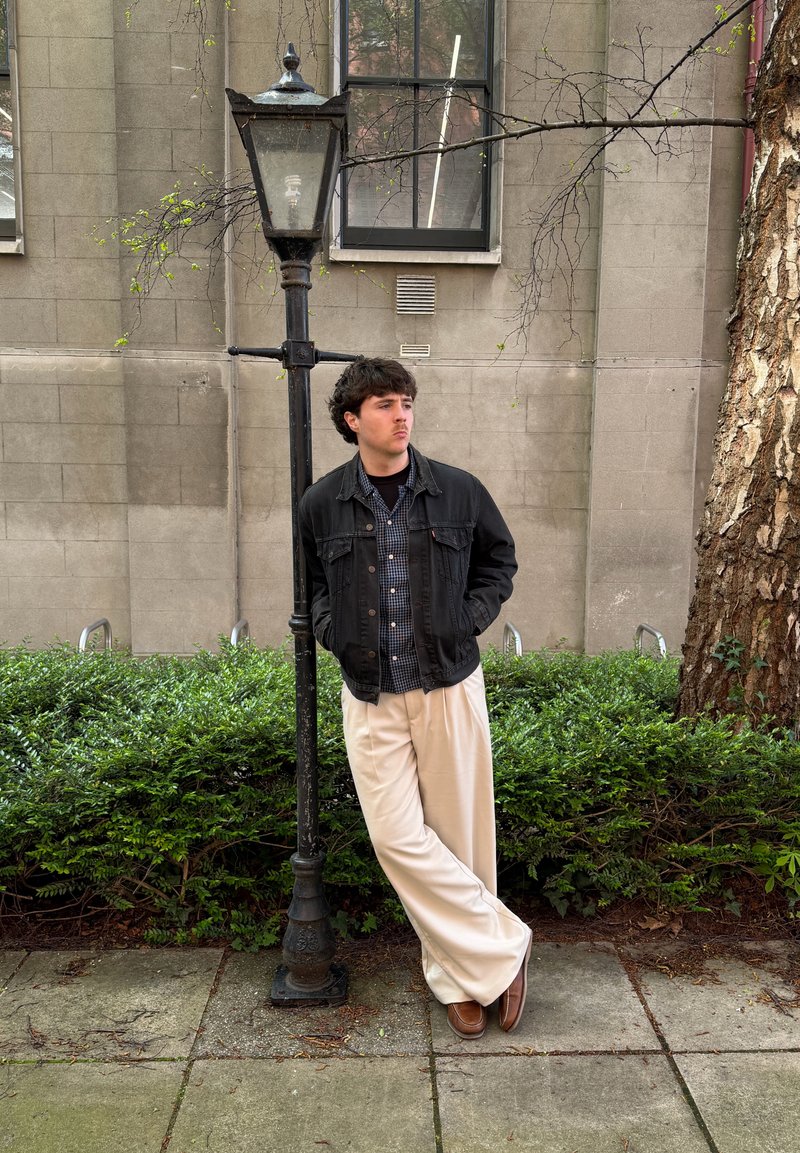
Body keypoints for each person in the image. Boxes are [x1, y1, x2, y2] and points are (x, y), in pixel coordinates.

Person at [299, 357, 532, 1039]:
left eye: (406, 402)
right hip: (370, 692)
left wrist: (467, 618)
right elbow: (313, 586)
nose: (401, 415)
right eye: (384, 405)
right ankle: (506, 946)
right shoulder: (322, 503)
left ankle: (462, 981)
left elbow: (499, 562)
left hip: (447, 685)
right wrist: (333, 632)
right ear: (352, 419)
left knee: (462, 837)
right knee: (396, 837)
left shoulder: (458, 491)